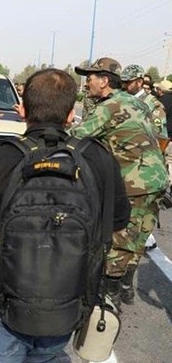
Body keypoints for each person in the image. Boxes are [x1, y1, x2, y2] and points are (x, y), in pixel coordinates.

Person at [0, 68, 130, 363]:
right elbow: (118, 220)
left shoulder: (2, 158)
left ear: (23, 109)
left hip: (7, 302)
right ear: (71, 115)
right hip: (68, 302)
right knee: (49, 356)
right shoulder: (99, 158)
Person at [72, 58, 168, 309]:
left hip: (134, 184)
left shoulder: (109, 106)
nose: (87, 82)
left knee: (119, 239)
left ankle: (108, 297)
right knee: (137, 239)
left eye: (90, 78)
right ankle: (125, 288)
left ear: (104, 80)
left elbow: (77, 138)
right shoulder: (137, 102)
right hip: (156, 181)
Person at [120, 64, 167, 137]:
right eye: (123, 82)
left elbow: (160, 136)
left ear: (139, 82)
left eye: (128, 82)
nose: (124, 85)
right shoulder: (122, 100)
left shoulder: (154, 105)